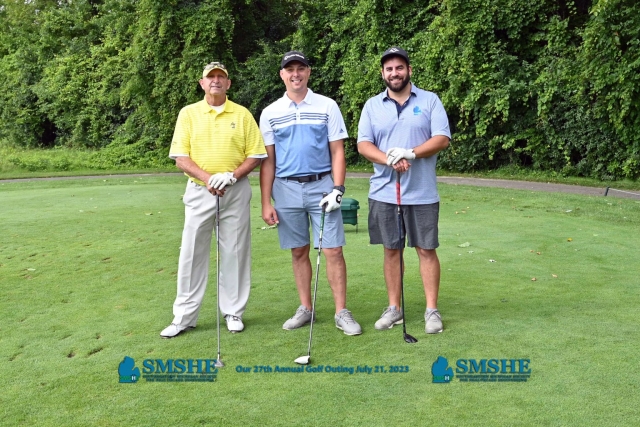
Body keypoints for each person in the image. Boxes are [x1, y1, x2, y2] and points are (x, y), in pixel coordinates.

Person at [259, 51, 362, 335]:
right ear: (282, 75)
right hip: (286, 188)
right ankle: (306, 308)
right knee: (298, 250)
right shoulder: (270, 112)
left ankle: (341, 312)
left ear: (308, 72)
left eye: (300, 68)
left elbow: (337, 151)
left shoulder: (327, 106)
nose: (295, 74)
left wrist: (338, 188)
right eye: (290, 69)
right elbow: (268, 161)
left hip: (322, 186)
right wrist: (265, 201)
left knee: (333, 250)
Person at [161, 61, 266, 338]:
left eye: (221, 77)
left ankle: (233, 312)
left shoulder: (242, 114)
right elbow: (180, 158)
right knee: (191, 253)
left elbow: (256, 155)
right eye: (211, 77)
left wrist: (231, 176)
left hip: (235, 191)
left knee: (235, 251)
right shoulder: (188, 113)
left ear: (228, 83)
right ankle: (184, 317)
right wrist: (209, 178)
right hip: (200, 191)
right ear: (202, 83)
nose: (216, 81)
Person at [357, 47, 451, 334]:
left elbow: (442, 138)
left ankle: (431, 310)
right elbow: (363, 144)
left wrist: (411, 153)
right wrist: (389, 158)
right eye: (389, 69)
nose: (394, 73)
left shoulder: (430, 100)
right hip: (384, 192)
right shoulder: (372, 105)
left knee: (426, 249)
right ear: (382, 73)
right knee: (391, 250)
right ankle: (394, 308)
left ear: (409, 70)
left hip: (422, 192)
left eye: (399, 67)